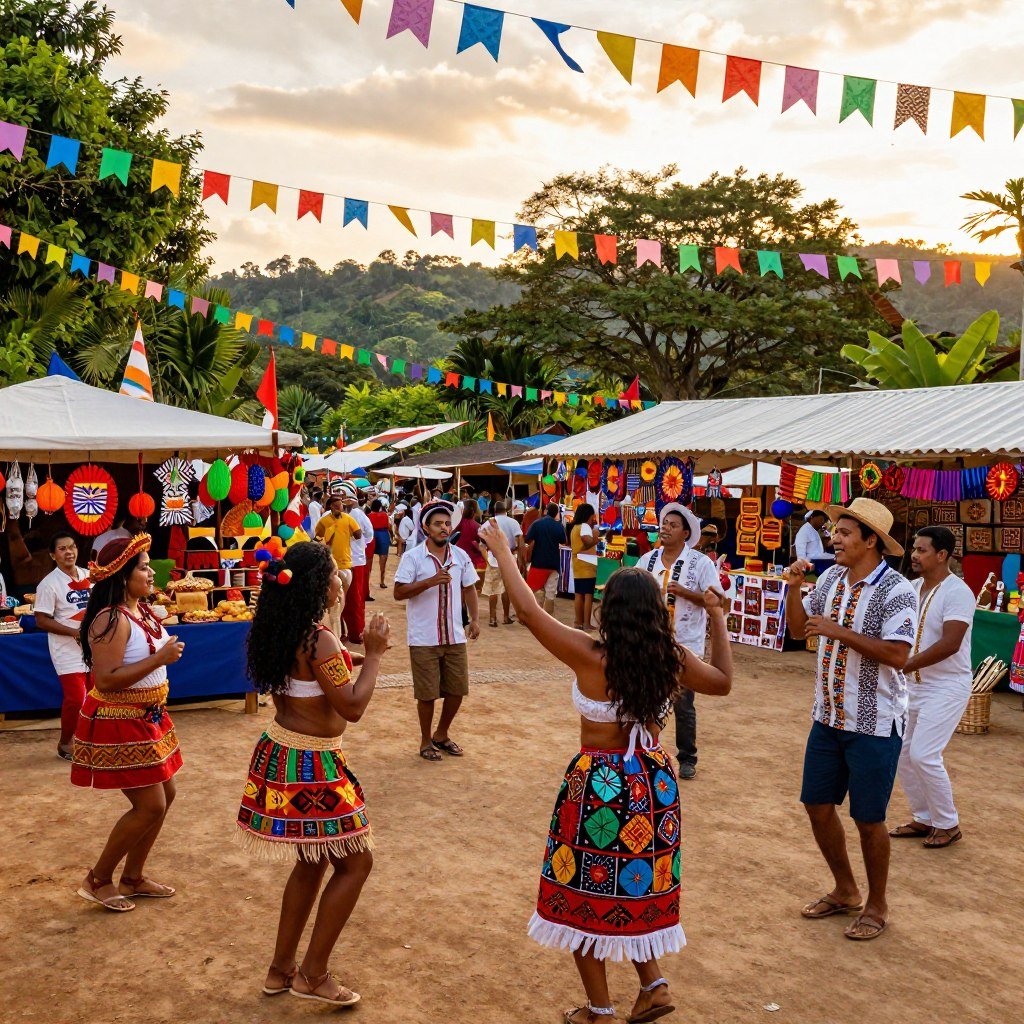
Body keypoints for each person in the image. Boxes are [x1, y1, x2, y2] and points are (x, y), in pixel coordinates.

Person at [479, 518, 732, 1024]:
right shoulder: (672, 657)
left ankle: (599, 1009)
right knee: (634, 887)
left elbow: (528, 611)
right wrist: (718, 617)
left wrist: (504, 550)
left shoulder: (591, 655)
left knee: (583, 897)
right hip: (653, 784)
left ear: (608, 611)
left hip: (600, 783)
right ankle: (653, 985)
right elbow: (723, 682)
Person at [237, 541, 390, 1006]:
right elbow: (352, 706)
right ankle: (312, 974)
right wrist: (376, 653)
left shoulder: (286, 629)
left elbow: (318, 676)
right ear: (314, 585)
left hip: (283, 751)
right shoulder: (318, 637)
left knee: (312, 861)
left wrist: (348, 660)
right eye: (332, 574)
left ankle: (280, 969)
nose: (339, 579)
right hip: (312, 763)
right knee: (356, 861)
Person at [784, 497, 918, 942]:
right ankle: (845, 890)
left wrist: (839, 631)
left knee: (868, 818)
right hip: (827, 717)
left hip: (874, 724)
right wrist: (794, 586)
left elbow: (899, 655)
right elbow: (798, 629)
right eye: (834, 532)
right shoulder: (833, 578)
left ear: (871, 542)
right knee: (816, 806)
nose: (833, 539)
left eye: (843, 533)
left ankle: (877, 904)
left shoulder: (897, 590)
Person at [72, 534, 185, 913]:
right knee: (150, 805)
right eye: (144, 567)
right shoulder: (111, 618)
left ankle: (133, 877)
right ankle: (98, 878)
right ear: (122, 577)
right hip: (119, 718)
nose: (152, 572)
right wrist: (160, 659)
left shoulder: (141, 610)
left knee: (165, 797)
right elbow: (104, 680)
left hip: (149, 716)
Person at [889, 527, 975, 849]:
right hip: (912, 685)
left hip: (947, 686)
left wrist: (907, 664)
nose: (914, 554)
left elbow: (951, 643)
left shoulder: (958, 591)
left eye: (922, 550)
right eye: (914, 548)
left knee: (924, 754)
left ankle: (948, 823)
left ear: (942, 555)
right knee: (902, 755)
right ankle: (924, 817)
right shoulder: (910, 588)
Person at [637, 504, 720, 781]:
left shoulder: (701, 563)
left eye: (673, 525)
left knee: (683, 704)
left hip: (686, 645)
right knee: (644, 699)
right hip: (650, 644)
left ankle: (687, 758)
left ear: (685, 533)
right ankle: (644, 752)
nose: (666, 528)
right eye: (664, 524)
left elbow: (718, 601)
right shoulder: (648, 560)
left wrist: (686, 593)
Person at [393, 499, 480, 762]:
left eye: (446, 523)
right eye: (438, 524)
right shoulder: (413, 557)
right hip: (424, 637)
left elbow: (469, 588)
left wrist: (474, 619)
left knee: (457, 690)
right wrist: (430, 581)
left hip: (454, 635)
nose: (444, 528)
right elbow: (398, 592)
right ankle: (425, 740)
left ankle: (442, 734)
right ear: (426, 528)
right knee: (427, 694)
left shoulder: (460, 556)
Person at [34, 532, 92, 760]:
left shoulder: (91, 576)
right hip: (66, 649)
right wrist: (73, 633)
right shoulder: (48, 584)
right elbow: (41, 620)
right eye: (62, 549)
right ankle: (66, 742)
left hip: (93, 647)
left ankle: (90, 740)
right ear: (52, 555)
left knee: (97, 695)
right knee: (77, 698)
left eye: (72, 547)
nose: (69, 552)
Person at [314, 491, 360, 638]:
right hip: (330, 566)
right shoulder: (324, 521)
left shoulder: (348, 519)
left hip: (346, 564)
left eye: (340, 505)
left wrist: (347, 532)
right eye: (335, 505)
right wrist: (328, 536)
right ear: (330, 507)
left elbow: (358, 535)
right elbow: (317, 537)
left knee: (342, 599)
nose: (338, 507)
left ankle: (340, 631)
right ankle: (337, 632)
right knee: (333, 601)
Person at [481, 499, 523, 628]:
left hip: (493, 558)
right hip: (509, 558)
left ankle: (492, 618)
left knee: (493, 590)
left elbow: (482, 545)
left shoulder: (487, 523)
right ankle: (505, 616)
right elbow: (520, 542)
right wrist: (521, 560)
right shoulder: (514, 522)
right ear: (506, 511)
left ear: (494, 511)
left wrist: (486, 558)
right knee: (507, 589)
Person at [342, 486, 373, 642]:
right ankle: (352, 632)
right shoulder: (353, 515)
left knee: (354, 599)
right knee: (346, 599)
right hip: (347, 561)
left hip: (354, 561)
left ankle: (356, 632)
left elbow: (369, 535)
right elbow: (369, 535)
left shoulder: (357, 515)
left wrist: (359, 545)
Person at [526, 502, 567, 613]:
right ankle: (548, 619)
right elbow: (563, 541)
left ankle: (527, 614)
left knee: (530, 591)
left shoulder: (537, 524)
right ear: (556, 513)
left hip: (538, 563)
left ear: (546, 511)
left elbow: (527, 538)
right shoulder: (559, 525)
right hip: (553, 564)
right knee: (550, 595)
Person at [568, 504, 599, 631]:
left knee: (579, 594)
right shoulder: (585, 527)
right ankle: (586, 623)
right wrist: (596, 537)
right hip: (587, 564)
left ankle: (578, 622)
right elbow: (587, 542)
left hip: (577, 563)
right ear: (589, 515)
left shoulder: (575, 527)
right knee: (588, 595)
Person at [455, 498, 487, 584]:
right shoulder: (477, 526)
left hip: (458, 553)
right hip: (471, 556)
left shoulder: (461, 522)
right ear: (475, 511)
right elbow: (484, 542)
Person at [795, 510, 835, 574]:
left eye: (824, 521)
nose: (822, 522)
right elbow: (801, 553)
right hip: (813, 565)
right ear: (812, 518)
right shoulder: (805, 531)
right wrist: (803, 570)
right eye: (821, 519)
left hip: (819, 562)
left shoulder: (815, 531)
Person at [368, 498, 394, 590]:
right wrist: (392, 535)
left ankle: (367, 581)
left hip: (372, 535)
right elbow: (389, 527)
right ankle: (382, 581)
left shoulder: (369, 515)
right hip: (383, 535)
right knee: (383, 559)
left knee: (369, 559)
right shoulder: (384, 515)